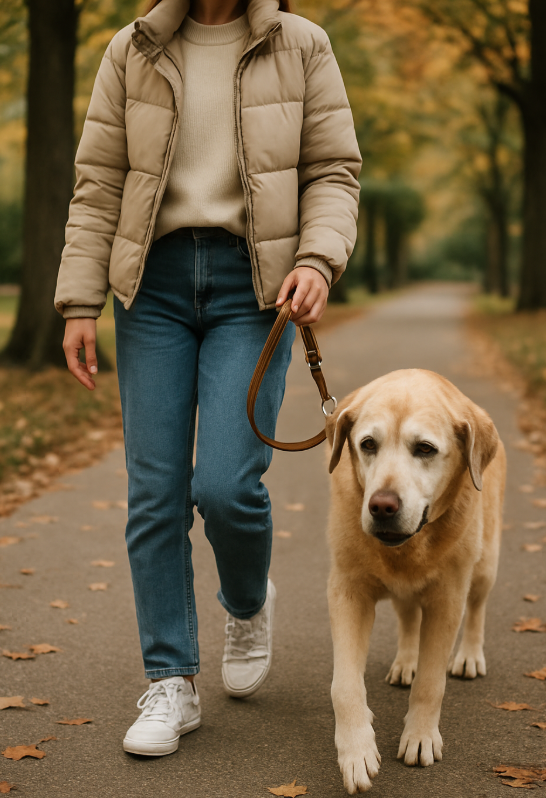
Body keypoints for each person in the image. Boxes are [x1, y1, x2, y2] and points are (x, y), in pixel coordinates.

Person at [54, 0, 361, 758]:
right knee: (155, 490)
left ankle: (247, 603)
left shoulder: (302, 44)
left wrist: (318, 259)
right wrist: (79, 301)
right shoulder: (132, 48)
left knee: (225, 485)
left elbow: (333, 170)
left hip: (253, 285)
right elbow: (98, 181)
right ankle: (170, 679)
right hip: (151, 286)